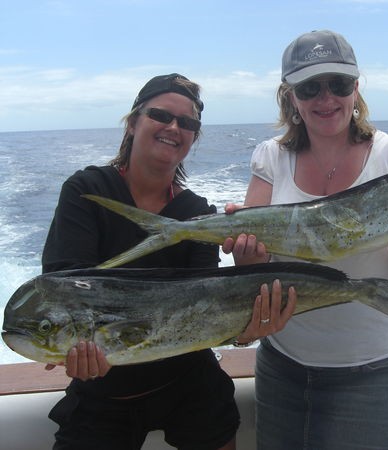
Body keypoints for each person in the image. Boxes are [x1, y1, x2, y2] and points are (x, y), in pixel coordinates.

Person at [42, 73, 295, 450]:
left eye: (187, 123)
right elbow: (63, 290)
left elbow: (206, 306)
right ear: (133, 122)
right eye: (161, 115)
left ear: (193, 137)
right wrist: (67, 348)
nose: (174, 127)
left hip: (189, 383)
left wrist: (247, 306)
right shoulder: (86, 191)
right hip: (102, 387)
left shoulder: (197, 214)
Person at [223, 30, 388, 449]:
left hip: (377, 372)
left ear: (356, 89)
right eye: (310, 88)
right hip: (282, 364)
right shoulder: (271, 157)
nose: (326, 99)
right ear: (291, 96)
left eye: (338, 84)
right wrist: (247, 254)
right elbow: (252, 271)